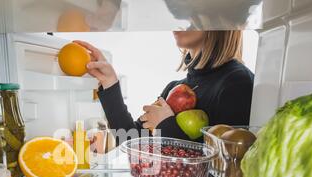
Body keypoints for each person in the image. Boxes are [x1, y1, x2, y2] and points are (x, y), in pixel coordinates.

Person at [74, 31, 254, 142]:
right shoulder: (175, 88)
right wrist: (110, 83)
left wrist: (167, 125)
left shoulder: (238, 84)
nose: (177, 21)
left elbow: (225, 165)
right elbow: (129, 138)